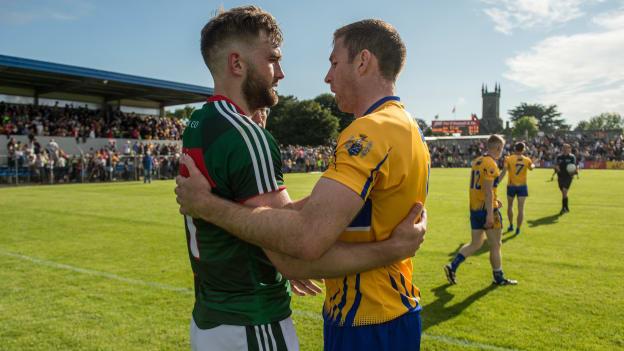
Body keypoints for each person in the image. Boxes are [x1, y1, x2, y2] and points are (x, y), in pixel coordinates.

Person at [177, 8, 427, 351]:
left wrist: (207, 205)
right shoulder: (406, 125)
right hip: (282, 319)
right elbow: (295, 245)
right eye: (273, 59)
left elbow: (299, 243)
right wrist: (392, 250)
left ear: (363, 61)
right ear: (237, 64)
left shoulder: (200, 120)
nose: (325, 76)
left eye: (333, 63)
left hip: (368, 316)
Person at [444, 135, 517, 286]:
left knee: (476, 243)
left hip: (475, 208)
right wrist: (490, 214)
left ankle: (452, 266)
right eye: (501, 148)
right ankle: (499, 278)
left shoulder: (477, 161)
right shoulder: (490, 163)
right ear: (497, 148)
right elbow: (488, 191)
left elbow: (488, 185)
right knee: (496, 245)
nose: (502, 151)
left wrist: (504, 170)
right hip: (487, 210)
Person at [499, 142, 534, 235]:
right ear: (523, 150)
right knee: (521, 209)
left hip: (511, 186)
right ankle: (518, 229)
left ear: (515, 149)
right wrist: (533, 164)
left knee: (510, 206)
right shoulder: (527, 160)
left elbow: (504, 171)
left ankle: (511, 225)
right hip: (522, 186)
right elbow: (531, 168)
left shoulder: (508, 159)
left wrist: (497, 181)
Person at [554, 143, 578, 214]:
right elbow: (556, 165)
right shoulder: (559, 157)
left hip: (568, 177)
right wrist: (556, 168)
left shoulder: (572, 157)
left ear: (569, 149)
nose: (565, 150)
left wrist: (574, 172)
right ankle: (565, 207)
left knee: (564, 191)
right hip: (560, 176)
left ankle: (564, 208)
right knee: (563, 193)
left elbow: (573, 166)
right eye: (564, 148)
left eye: (567, 148)